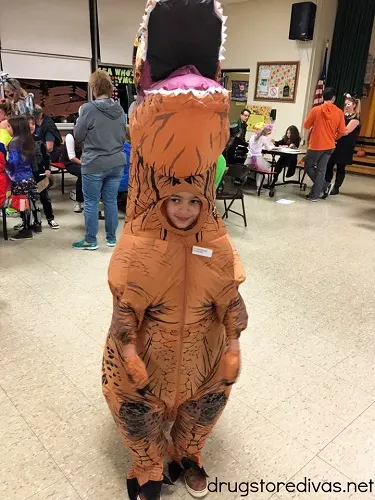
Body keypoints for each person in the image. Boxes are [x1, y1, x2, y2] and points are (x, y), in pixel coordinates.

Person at [102, 2, 248, 499]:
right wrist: (128, 350)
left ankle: (189, 450)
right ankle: (145, 461)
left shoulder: (214, 238)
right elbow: (125, 314)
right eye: (177, 200)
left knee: (206, 402)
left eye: (193, 200)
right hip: (149, 348)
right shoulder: (143, 233)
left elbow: (230, 297)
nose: (185, 207)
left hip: (203, 354)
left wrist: (232, 343)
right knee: (134, 405)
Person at [73, 70, 126, 250]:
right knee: (110, 201)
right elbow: (123, 135)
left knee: (91, 202)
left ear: (94, 88)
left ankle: (90, 240)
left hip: (94, 162)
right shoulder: (120, 110)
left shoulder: (88, 109)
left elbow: (78, 135)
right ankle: (111, 238)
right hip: (117, 162)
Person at [303, 87, 346, 202]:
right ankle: (315, 195)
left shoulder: (316, 110)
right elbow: (342, 131)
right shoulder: (340, 112)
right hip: (330, 145)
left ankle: (324, 186)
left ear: (323, 97)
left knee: (308, 166)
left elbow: (306, 125)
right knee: (321, 170)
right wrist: (334, 138)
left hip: (316, 145)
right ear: (334, 98)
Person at [5, 116, 42, 240]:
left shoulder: (14, 142)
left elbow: (13, 162)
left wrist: (6, 167)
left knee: (22, 203)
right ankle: (35, 225)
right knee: (31, 202)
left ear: (16, 127)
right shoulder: (28, 139)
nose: (7, 128)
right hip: (29, 177)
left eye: (9, 126)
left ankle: (26, 230)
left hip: (19, 178)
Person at [24, 115, 59, 229]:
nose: (31, 126)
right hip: (25, 175)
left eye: (33, 124)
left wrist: (48, 169)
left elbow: (46, 156)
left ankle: (50, 219)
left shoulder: (38, 139)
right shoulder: (20, 141)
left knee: (44, 197)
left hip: (39, 173)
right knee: (25, 199)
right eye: (28, 124)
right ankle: (25, 221)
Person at [324, 94, 361, 196]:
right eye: (345, 104)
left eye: (349, 104)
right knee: (329, 163)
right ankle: (326, 183)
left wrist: (334, 136)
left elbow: (345, 131)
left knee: (340, 166)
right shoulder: (342, 115)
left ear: (354, 105)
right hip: (336, 143)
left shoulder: (356, 118)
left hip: (345, 145)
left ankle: (336, 187)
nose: (347, 106)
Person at [244, 123, 274, 189]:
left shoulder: (252, 137)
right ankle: (258, 186)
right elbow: (268, 149)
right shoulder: (263, 138)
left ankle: (244, 182)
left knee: (248, 169)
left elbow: (249, 146)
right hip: (257, 159)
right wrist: (272, 147)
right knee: (261, 172)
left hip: (249, 158)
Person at [61, 132, 83, 212]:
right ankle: (78, 202)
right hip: (71, 162)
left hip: (86, 160)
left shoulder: (91, 134)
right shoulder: (70, 136)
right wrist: (85, 164)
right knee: (82, 172)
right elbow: (72, 157)